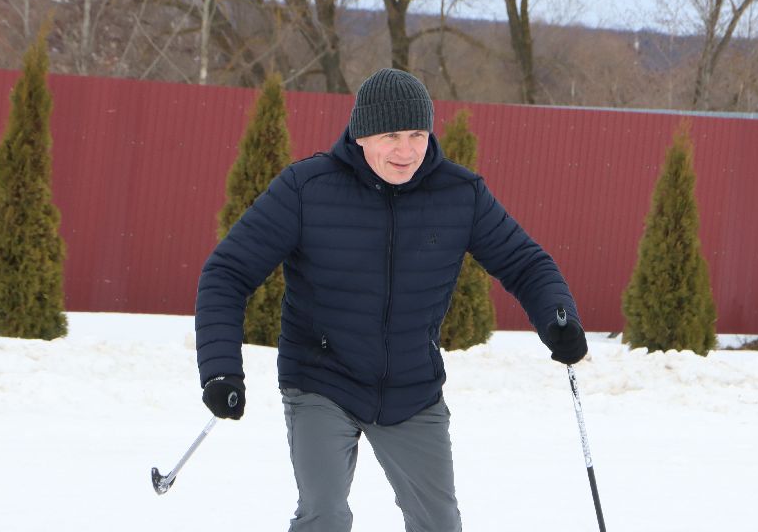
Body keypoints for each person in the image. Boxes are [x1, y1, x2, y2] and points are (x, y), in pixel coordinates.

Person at [195, 68, 588, 532]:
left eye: (417, 134)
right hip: (322, 380)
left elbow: (525, 263)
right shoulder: (307, 189)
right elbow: (228, 272)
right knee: (325, 514)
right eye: (391, 135)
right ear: (361, 135)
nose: (406, 151)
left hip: (411, 389)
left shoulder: (460, 195)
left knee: (439, 523)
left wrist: (557, 316)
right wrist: (220, 370)